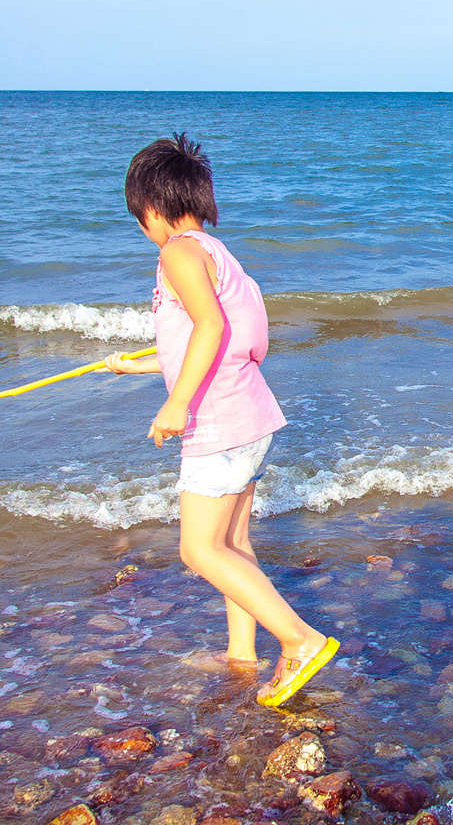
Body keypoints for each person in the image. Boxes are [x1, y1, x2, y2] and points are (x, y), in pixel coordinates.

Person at [103, 133, 337, 708]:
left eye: (140, 220)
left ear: (152, 210)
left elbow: (209, 330)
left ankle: (300, 641)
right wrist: (139, 367)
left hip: (218, 421)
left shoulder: (177, 253)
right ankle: (242, 653)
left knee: (198, 550)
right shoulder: (218, 253)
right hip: (250, 414)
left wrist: (176, 404)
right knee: (232, 541)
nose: (144, 231)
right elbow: (232, 336)